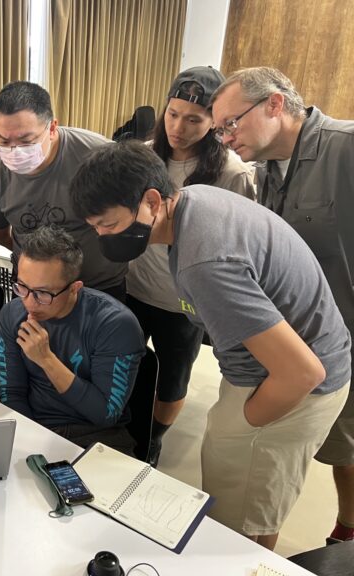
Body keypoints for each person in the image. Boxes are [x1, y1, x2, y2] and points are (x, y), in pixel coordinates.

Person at [71, 140, 350, 550]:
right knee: (256, 502)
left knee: (237, 524)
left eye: (108, 225)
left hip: (292, 385)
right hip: (280, 368)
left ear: (152, 200)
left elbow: (302, 373)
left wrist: (242, 424)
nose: (101, 236)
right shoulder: (193, 200)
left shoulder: (205, 261)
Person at [210, 66, 354, 545]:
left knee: (347, 447)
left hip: (343, 336)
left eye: (231, 123)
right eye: (220, 129)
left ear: (274, 104)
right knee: (326, 446)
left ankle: (347, 531)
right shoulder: (264, 171)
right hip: (298, 339)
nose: (226, 138)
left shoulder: (344, 148)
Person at [125, 66, 255, 465]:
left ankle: (154, 439)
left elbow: (239, 242)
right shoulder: (145, 155)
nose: (179, 127)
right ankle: (127, 428)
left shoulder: (231, 173)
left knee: (173, 376)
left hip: (184, 300)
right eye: (173, 114)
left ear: (214, 120)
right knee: (125, 363)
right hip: (133, 286)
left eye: (194, 119)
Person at [0, 225, 144, 452]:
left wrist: (46, 359)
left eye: (43, 293)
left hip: (96, 435)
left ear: (74, 288)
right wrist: (28, 439)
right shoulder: (12, 314)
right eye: (22, 287)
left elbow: (105, 414)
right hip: (34, 425)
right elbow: (12, 393)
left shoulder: (115, 325)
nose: (29, 302)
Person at [0, 81, 126, 300]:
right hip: (32, 290)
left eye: (26, 140)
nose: (15, 151)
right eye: (4, 141)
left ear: (52, 128)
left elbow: (129, 220)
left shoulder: (98, 157)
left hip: (96, 288)